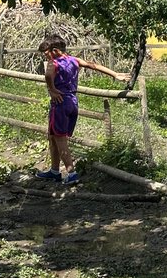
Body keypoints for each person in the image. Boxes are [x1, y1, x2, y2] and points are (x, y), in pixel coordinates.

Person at [34, 35, 129, 185]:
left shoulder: (54, 63)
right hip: (73, 102)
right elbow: (94, 65)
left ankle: (71, 173)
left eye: (46, 53)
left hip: (60, 103)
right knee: (52, 136)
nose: (45, 56)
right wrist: (115, 74)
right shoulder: (74, 61)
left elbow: (47, 75)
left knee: (60, 139)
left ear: (55, 50)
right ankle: (54, 171)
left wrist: (52, 89)